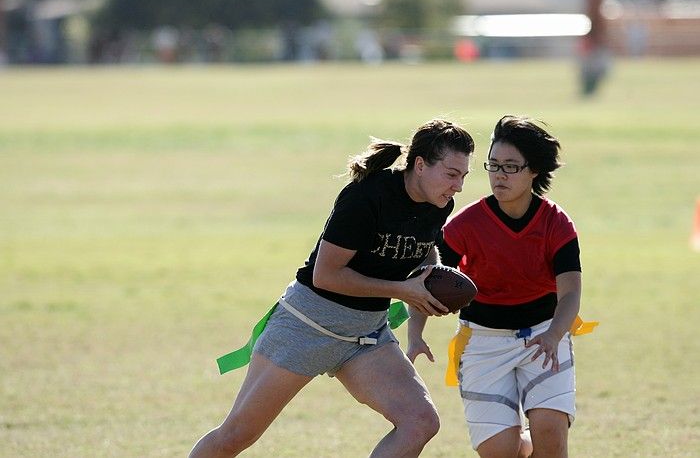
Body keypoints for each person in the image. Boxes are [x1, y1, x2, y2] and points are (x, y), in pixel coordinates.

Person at [189, 119, 475, 458]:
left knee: (420, 422)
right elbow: (327, 276)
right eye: (451, 174)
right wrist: (402, 289)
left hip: (366, 335)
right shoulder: (366, 197)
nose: (458, 187)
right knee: (236, 435)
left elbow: (423, 250)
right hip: (307, 325)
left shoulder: (438, 202)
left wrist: (429, 288)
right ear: (420, 165)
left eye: (464, 177)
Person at [408, 115, 583, 458]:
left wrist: (553, 335)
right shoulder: (465, 225)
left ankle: (537, 442)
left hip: (545, 336)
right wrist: (415, 334)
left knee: (551, 434)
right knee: (501, 450)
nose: (499, 174)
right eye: (493, 165)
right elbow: (428, 279)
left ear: (534, 171)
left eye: (511, 167)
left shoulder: (556, 223)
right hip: (482, 343)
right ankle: (522, 445)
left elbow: (571, 292)